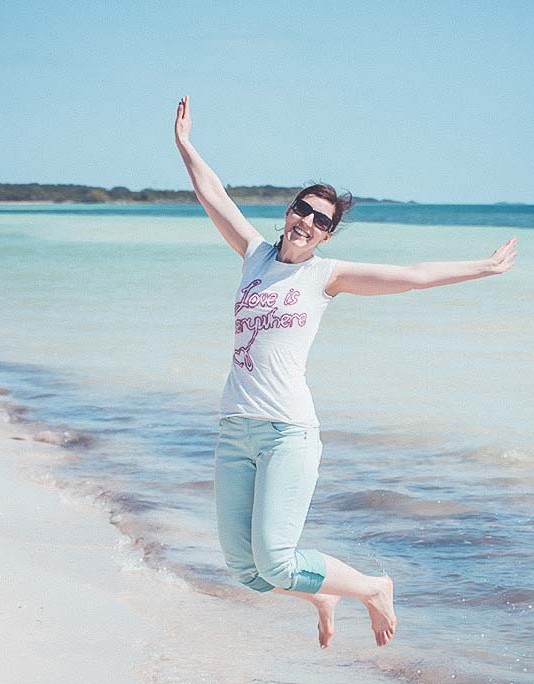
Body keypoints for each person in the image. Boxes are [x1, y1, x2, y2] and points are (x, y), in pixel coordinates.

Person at [174, 96, 516, 648]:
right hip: (234, 428)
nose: (307, 221)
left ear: (329, 235)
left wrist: (482, 266)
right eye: (302, 210)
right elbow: (214, 195)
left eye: (321, 220)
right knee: (246, 571)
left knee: (279, 562)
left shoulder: (326, 277)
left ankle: (373, 587)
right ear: (288, 212)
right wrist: (187, 145)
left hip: (288, 431)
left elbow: (414, 274)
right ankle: (323, 592)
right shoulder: (254, 256)